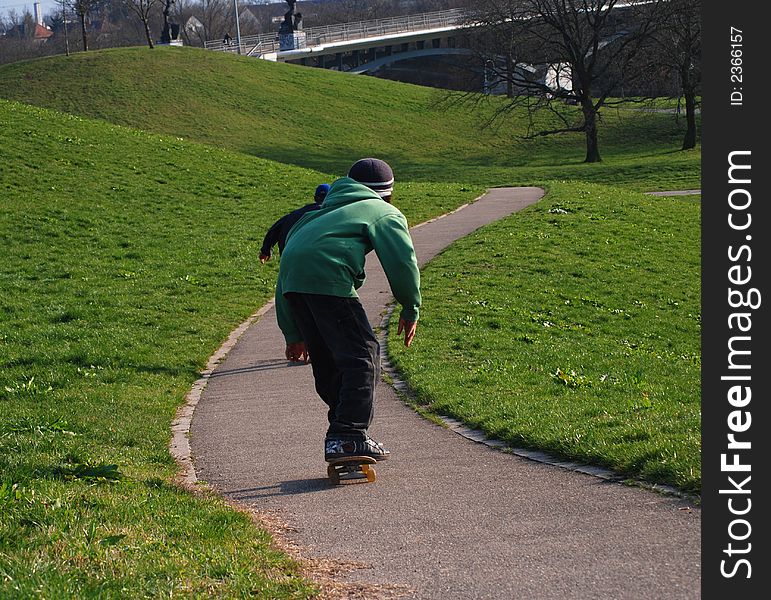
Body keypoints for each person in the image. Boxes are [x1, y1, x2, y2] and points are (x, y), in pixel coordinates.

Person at [274, 158, 420, 462]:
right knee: (363, 357)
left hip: (295, 284)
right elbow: (402, 261)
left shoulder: (316, 213)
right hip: (330, 280)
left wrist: (292, 332)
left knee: (329, 363)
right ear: (388, 192)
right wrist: (410, 306)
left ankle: (341, 433)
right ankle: (349, 436)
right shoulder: (383, 211)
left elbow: (286, 267)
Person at [259, 183, 330, 264]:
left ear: (314, 198)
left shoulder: (295, 214)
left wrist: (265, 251)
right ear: (331, 197)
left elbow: (274, 229)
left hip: (288, 256)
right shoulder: (330, 215)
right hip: (313, 260)